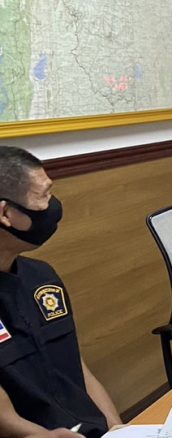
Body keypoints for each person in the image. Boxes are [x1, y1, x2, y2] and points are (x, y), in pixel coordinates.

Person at [0, 147, 121, 437]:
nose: (53, 206)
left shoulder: (42, 278)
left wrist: (117, 428)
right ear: (5, 214)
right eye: (44, 196)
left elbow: (76, 367)